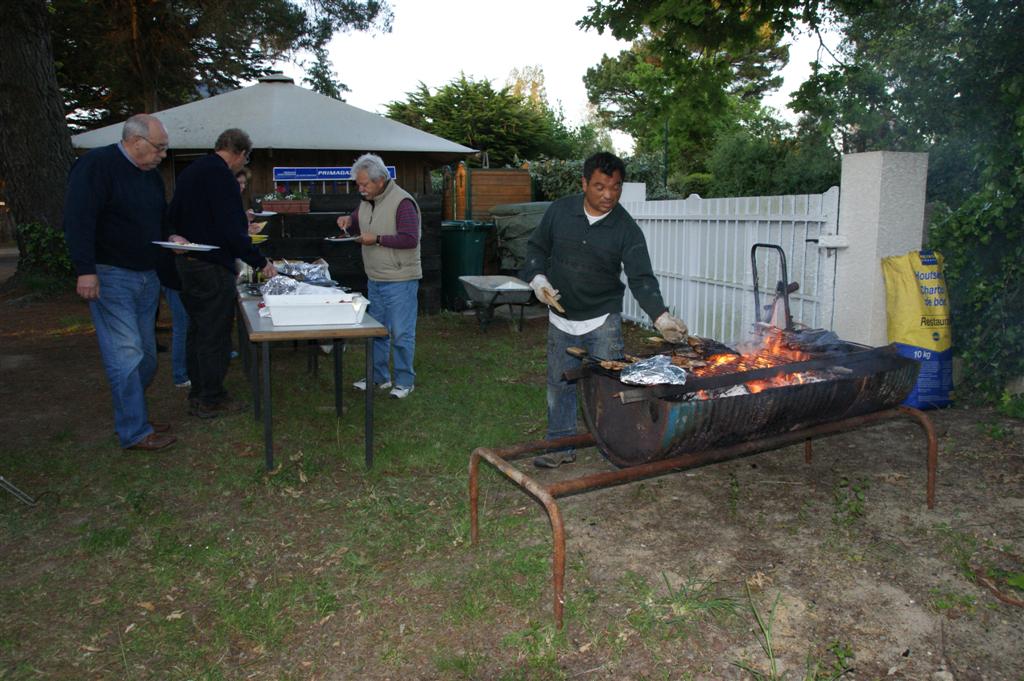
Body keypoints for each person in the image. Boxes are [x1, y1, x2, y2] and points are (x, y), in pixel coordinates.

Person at [521, 151, 689, 468]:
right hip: (561, 318)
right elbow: (536, 248)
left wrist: (661, 317)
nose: (608, 195)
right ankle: (560, 447)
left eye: (615, 187)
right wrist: (538, 279)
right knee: (559, 383)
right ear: (584, 183)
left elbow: (641, 278)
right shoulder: (560, 211)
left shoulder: (626, 228)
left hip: (603, 319)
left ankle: (617, 447)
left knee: (610, 387)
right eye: (600, 187)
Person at [62, 113, 177, 451]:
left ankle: (133, 413)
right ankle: (135, 430)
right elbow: (78, 218)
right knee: (126, 356)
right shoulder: (96, 166)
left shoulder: (151, 177)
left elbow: (159, 219)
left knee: (147, 358)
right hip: (111, 275)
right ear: (136, 141)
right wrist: (85, 269)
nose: (162, 155)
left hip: (147, 275)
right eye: (159, 148)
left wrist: (172, 236)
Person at [168, 128, 276, 418]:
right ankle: (211, 398)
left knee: (197, 329)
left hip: (187, 263)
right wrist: (259, 260)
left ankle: (199, 392)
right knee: (214, 334)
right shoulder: (222, 177)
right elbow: (232, 230)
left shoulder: (192, 171)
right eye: (245, 159)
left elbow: (173, 214)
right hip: (211, 265)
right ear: (240, 154)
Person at [335, 153, 421, 399]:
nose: (360, 189)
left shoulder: (402, 202)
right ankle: (379, 376)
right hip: (375, 277)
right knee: (377, 330)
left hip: (400, 279)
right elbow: (357, 221)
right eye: (358, 185)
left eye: (365, 184)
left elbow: (410, 238)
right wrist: (347, 221)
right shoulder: (366, 201)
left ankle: (405, 380)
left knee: (402, 333)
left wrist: (378, 239)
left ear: (381, 180)